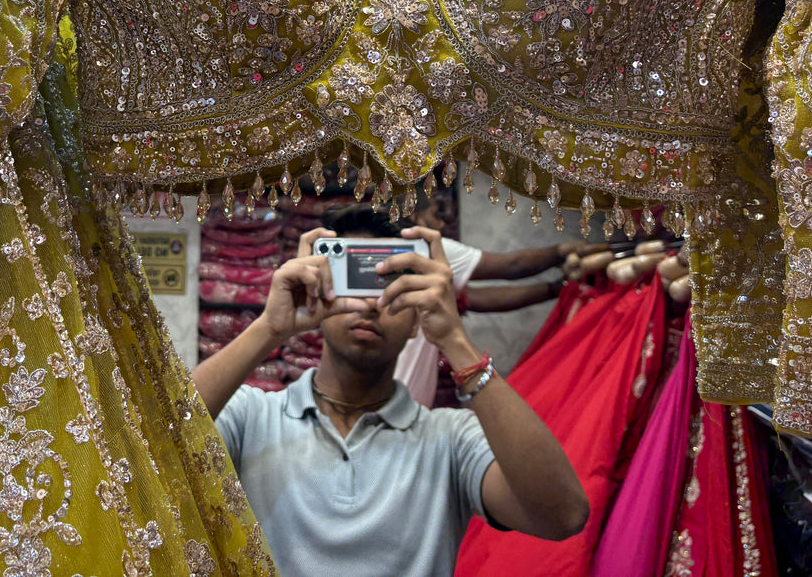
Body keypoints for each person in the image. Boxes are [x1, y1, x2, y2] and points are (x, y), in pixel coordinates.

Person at [192, 204, 589, 577]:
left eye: (389, 285)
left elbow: (563, 515)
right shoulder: (250, 416)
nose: (369, 303)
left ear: (417, 321)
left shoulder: (451, 439)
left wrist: (455, 340)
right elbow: (146, 439)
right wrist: (270, 329)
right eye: (353, 277)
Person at [399, 194, 607, 406]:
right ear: (415, 219)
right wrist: (562, 252)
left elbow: (476, 298)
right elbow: (512, 266)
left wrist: (560, 287)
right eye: (436, 215)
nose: (442, 224)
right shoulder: (425, 249)